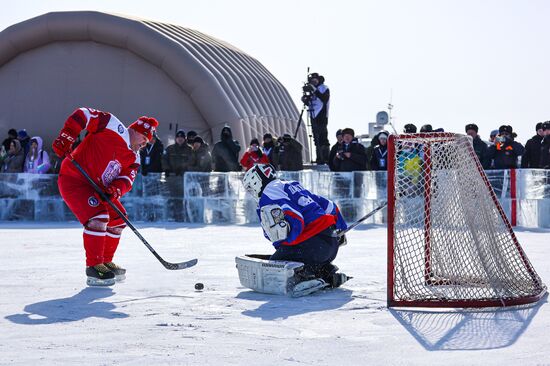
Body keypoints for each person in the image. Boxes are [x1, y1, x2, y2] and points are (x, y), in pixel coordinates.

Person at [52, 107, 159, 286]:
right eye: (144, 138)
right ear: (136, 131)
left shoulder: (135, 158)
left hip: (98, 189)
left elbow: (127, 179)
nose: (144, 144)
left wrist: (115, 190)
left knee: (119, 218)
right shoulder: (112, 125)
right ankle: (94, 267)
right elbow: (83, 114)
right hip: (74, 180)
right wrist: (67, 135)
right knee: (98, 217)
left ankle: (105, 262)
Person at [242, 164, 349, 291]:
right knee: (290, 256)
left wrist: (284, 246)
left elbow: (295, 218)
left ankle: (304, 277)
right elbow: (329, 206)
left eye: (250, 188)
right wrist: (341, 230)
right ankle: (326, 273)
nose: (251, 192)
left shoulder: (269, 192)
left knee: (277, 261)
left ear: (256, 180)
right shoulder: (291, 185)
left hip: (312, 246)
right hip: (329, 245)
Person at [302, 72, 330, 164]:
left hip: (321, 115)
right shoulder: (312, 90)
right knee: (316, 138)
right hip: (313, 115)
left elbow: (324, 99)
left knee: (322, 137)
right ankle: (319, 157)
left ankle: (325, 157)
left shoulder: (324, 88)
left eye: (315, 80)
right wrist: (305, 98)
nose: (314, 82)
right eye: (312, 81)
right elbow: (308, 102)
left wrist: (315, 90)